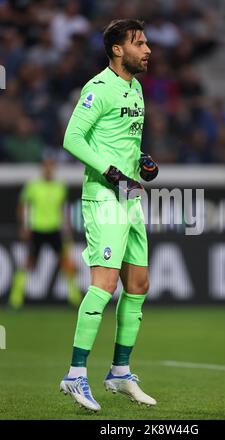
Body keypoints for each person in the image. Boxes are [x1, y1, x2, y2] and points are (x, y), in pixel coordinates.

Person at [60, 19, 159, 412]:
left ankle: (119, 372)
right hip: (104, 197)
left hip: (130, 197)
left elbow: (125, 143)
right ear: (118, 50)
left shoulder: (135, 89)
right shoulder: (97, 88)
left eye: (147, 42)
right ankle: (75, 375)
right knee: (103, 286)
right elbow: (72, 138)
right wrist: (109, 170)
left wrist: (143, 162)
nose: (148, 49)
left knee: (138, 285)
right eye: (139, 43)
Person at [8, 158, 82, 309]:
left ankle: (76, 299)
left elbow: (63, 209)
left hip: (54, 229)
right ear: (42, 168)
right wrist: (24, 226)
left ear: (53, 168)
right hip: (37, 229)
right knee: (29, 263)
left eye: (51, 167)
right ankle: (15, 299)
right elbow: (22, 206)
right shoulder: (33, 186)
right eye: (46, 167)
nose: (48, 170)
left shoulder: (60, 186)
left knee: (66, 263)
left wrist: (66, 227)